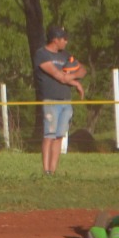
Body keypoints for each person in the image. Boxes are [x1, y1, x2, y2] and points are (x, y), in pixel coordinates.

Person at [34, 25, 87, 177]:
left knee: (59, 136)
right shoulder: (42, 54)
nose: (66, 42)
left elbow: (82, 70)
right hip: (51, 100)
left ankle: (53, 170)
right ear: (55, 39)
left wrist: (73, 79)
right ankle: (46, 171)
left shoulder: (65, 55)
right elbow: (58, 76)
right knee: (49, 135)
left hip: (66, 100)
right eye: (64, 39)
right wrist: (73, 79)